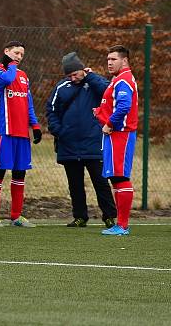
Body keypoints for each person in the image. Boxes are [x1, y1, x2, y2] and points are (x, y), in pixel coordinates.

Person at [45, 52, 117, 228]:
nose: (73, 78)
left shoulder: (94, 82)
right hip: (69, 145)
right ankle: (80, 216)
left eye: (75, 74)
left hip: (92, 143)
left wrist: (90, 76)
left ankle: (109, 216)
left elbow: (108, 91)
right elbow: (51, 110)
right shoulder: (62, 87)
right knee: (75, 184)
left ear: (82, 69)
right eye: (69, 75)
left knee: (100, 182)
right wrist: (59, 131)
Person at [0, 40, 41, 228]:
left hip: (21, 133)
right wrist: (9, 65)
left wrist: (35, 125)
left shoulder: (23, 76)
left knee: (20, 173)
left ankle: (16, 216)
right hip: (3, 131)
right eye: (16, 53)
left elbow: (29, 103)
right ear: (6, 51)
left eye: (21, 55)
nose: (19, 57)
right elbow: (8, 79)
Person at [94, 45, 138, 236]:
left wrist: (109, 123)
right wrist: (100, 112)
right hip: (115, 135)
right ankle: (120, 224)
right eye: (108, 59)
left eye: (114, 59)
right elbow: (114, 104)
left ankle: (123, 225)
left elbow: (124, 106)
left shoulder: (124, 80)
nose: (110, 62)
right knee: (115, 178)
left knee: (120, 177)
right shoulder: (118, 79)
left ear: (124, 61)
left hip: (120, 134)